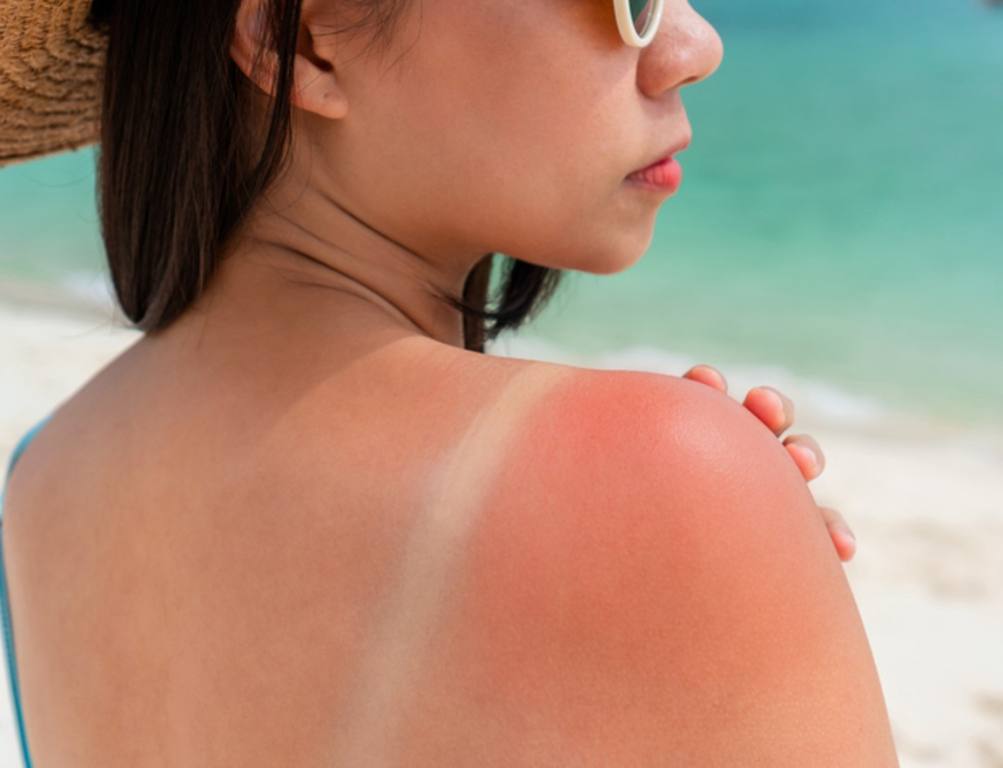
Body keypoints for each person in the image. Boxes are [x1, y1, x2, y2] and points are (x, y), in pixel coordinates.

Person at [0, 0, 897, 765]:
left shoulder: (38, 481)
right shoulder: (665, 474)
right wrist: (718, 525)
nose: (695, 49)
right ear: (302, 41)